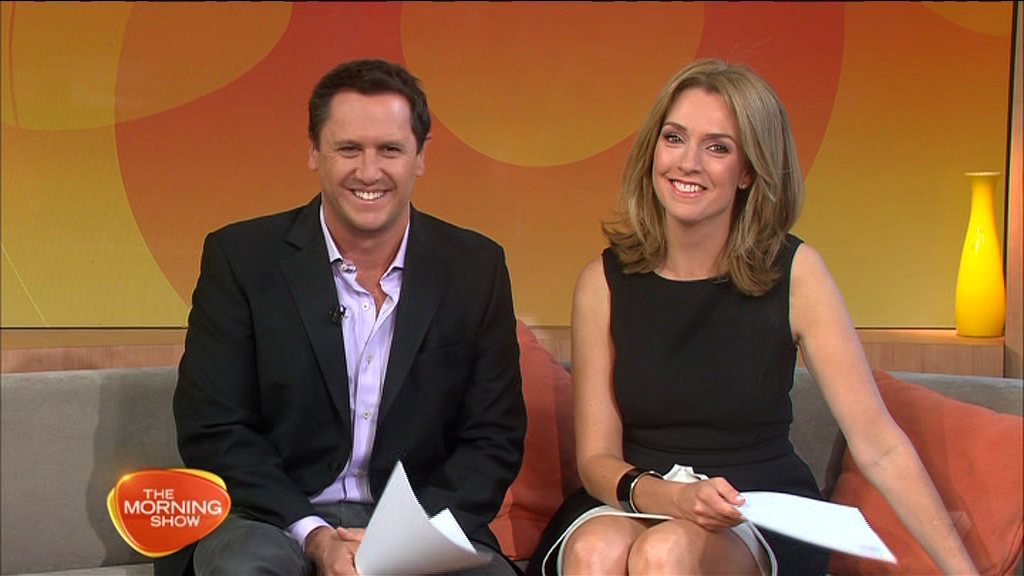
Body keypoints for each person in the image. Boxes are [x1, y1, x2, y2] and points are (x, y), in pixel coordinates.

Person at [527, 58, 977, 576]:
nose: (688, 163)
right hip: (637, 494)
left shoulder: (797, 274)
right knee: (595, 551)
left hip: (753, 506)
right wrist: (674, 497)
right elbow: (596, 461)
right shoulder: (602, 282)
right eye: (674, 138)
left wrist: (963, 572)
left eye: (717, 148)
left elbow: (880, 447)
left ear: (747, 171)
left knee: (665, 553)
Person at [162, 59, 526, 576]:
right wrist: (314, 535)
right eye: (349, 149)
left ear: (421, 156)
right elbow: (214, 428)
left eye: (390, 150)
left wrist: (399, 540)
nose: (368, 172)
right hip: (271, 517)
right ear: (314, 152)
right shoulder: (242, 259)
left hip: (418, 519)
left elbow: (492, 439)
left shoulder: (475, 268)